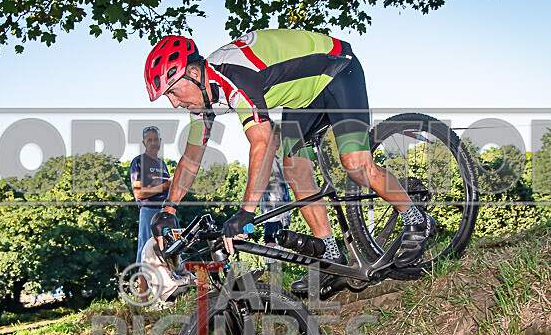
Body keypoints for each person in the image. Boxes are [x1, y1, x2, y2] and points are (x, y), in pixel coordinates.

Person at [145, 29, 435, 296]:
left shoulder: (233, 74)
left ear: (194, 73)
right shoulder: (204, 98)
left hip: (337, 70)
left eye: (173, 91)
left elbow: (264, 141)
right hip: (303, 99)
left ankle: (417, 219)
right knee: (294, 168)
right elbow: (192, 157)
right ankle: (332, 256)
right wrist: (168, 209)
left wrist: (246, 211)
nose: (174, 103)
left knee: (355, 162)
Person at [130, 126, 171, 266]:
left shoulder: (162, 164)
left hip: (166, 212)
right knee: (145, 253)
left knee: (166, 252)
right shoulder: (139, 161)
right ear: (144, 143)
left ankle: (165, 286)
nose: (153, 143)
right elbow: (138, 193)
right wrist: (165, 186)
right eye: (149, 140)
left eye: (155, 139)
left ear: (160, 141)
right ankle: (142, 288)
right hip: (149, 211)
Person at [259, 121, 291, 263]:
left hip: (283, 208)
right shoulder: (263, 160)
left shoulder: (277, 160)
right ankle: (271, 259)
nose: (278, 142)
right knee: (272, 234)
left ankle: (278, 257)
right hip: (271, 210)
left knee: (283, 236)